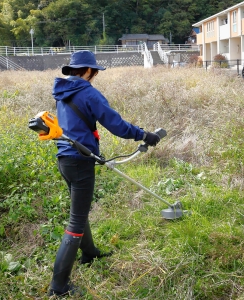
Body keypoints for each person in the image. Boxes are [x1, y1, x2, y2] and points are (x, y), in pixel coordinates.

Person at [48, 50, 160, 296]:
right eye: (94, 71)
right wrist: (144, 134)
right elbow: (116, 124)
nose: (95, 74)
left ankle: (89, 253)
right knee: (76, 220)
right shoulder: (88, 92)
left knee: (79, 210)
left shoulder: (62, 92)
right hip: (79, 160)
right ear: (87, 71)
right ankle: (58, 287)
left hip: (64, 158)